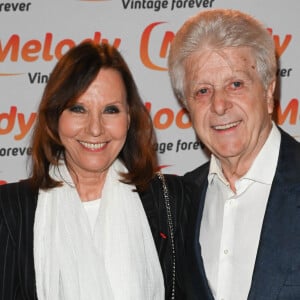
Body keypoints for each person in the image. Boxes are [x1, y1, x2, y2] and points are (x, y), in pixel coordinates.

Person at [0, 41, 186, 299]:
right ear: (55, 118)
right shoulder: (9, 210)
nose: (95, 128)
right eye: (79, 109)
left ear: (129, 119)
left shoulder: (172, 201)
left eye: (111, 110)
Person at [168, 8, 300, 300]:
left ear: (268, 93)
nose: (219, 105)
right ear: (186, 105)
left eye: (236, 84)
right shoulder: (181, 201)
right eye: (202, 91)